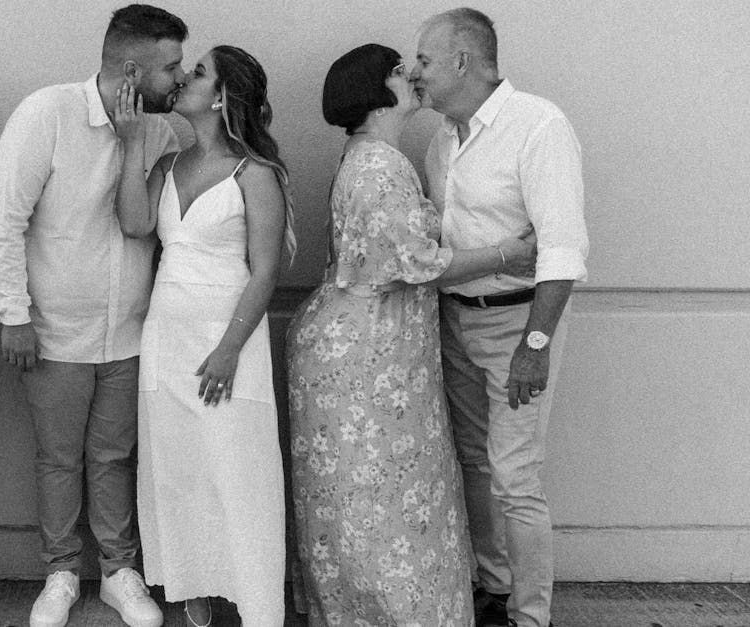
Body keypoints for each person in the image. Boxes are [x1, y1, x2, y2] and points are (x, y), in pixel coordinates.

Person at [286, 43, 538, 626]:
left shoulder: (374, 156)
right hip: (367, 357)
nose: (416, 77)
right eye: (403, 70)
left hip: (371, 349)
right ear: (379, 91)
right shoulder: (380, 164)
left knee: (372, 490)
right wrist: (511, 252)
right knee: (380, 494)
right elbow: (420, 261)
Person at [0, 5, 187, 627]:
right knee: (57, 457)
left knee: (114, 455)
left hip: (130, 331)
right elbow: (5, 220)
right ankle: (61, 573)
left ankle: (120, 573)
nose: (178, 78)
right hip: (52, 333)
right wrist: (12, 313)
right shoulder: (46, 113)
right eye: (170, 66)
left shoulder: (159, 129)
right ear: (132, 67)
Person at [411, 9, 589, 627]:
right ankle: (493, 586)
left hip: (520, 325)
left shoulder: (538, 125)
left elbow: (563, 249)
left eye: (426, 60)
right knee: (473, 461)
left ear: (463, 61)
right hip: (457, 323)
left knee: (515, 477)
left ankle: (531, 616)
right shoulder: (442, 142)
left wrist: (535, 344)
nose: (416, 72)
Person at [112, 45, 291, 627]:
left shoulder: (254, 173)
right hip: (167, 335)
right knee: (179, 468)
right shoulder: (167, 166)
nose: (185, 79)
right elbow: (136, 223)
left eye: (198, 72)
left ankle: (252, 594)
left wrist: (229, 350)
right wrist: (133, 140)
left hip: (228, 340)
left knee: (237, 468)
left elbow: (265, 271)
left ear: (220, 96)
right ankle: (194, 581)